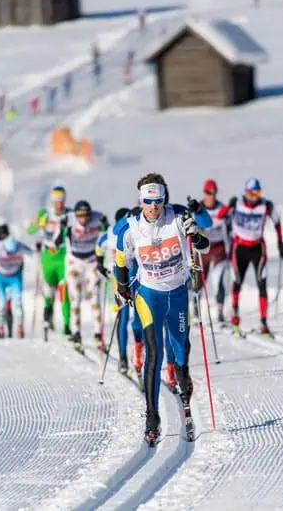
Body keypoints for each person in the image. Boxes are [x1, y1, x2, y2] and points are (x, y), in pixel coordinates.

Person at [115, 172, 209, 446]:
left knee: (181, 352)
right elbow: (122, 261)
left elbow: (203, 244)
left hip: (178, 294)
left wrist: (196, 235)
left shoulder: (178, 218)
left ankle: (184, 384)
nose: (154, 207)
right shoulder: (130, 229)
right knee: (154, 353)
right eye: (148, 202)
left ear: (164, 199)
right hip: (149, 297)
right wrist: (123, 289)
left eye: (158, 202)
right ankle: (152, 417)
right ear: (141, 201)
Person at [213, 178, 283, 336]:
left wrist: (280, 242)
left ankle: (264, 322)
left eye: (258, 192)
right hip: (239, 248)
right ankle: (235, 317)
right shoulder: (237, 204)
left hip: (258, 247)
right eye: (253, 193)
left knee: (262, 282)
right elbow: (219, 217)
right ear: (246, 192)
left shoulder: (266, 205)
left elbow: (277, 222)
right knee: (237, 281)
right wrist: (228, 206)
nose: (256, 196)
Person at [96, 207, 144, 376]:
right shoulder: (113, 232)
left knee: (137, 318)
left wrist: (99, 263)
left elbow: (98, 247)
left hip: (135, 277)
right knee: (123, 317)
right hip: (119, 279)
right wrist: (100, 265)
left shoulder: (128, 230)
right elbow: (99, 246)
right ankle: (123, 357)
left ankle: (136, 354)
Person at [58, 200, 109, 351]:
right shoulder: (69, 219)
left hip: (91, 260)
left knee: (95, 297)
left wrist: (106, 226)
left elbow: (108, 232)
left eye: (86, 215)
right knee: (75, 297)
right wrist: (62, 231)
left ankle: (98, 334)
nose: (83, 219)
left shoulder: (97, 217)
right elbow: (57, 238)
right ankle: (76, 332)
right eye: (80, 216)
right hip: (74, 261)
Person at [26, 186, 72, 337]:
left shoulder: (69, 214)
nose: (59, 204)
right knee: (49, 290)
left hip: (63, 257)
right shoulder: (44, 213)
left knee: (64, 291)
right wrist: (39, 224)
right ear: (52, 201)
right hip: (48, 257)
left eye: (61, 201)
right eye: (56, 201)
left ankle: (67, 325)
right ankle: (47, 317)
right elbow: (30, 230)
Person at [0, 234, 33, 339]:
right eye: (8, 252)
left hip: (14, 277)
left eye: (13, 252)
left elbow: (32, 252)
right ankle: (0, 327)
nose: (10, 254)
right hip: (0, 276)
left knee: (17, 301)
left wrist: (38, 249)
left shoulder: (20, 246)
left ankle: (20, 327)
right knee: (1, 302)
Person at [196, 179, 232, 324]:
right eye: (207, 193)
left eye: (213, 193)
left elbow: (230, 229)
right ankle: (196, 310)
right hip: (202, 249)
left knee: (218, 281)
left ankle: (219, 312)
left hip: (218, 248)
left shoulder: (222, 209)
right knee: (197, 282)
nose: (210, 196)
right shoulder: (197, 209)